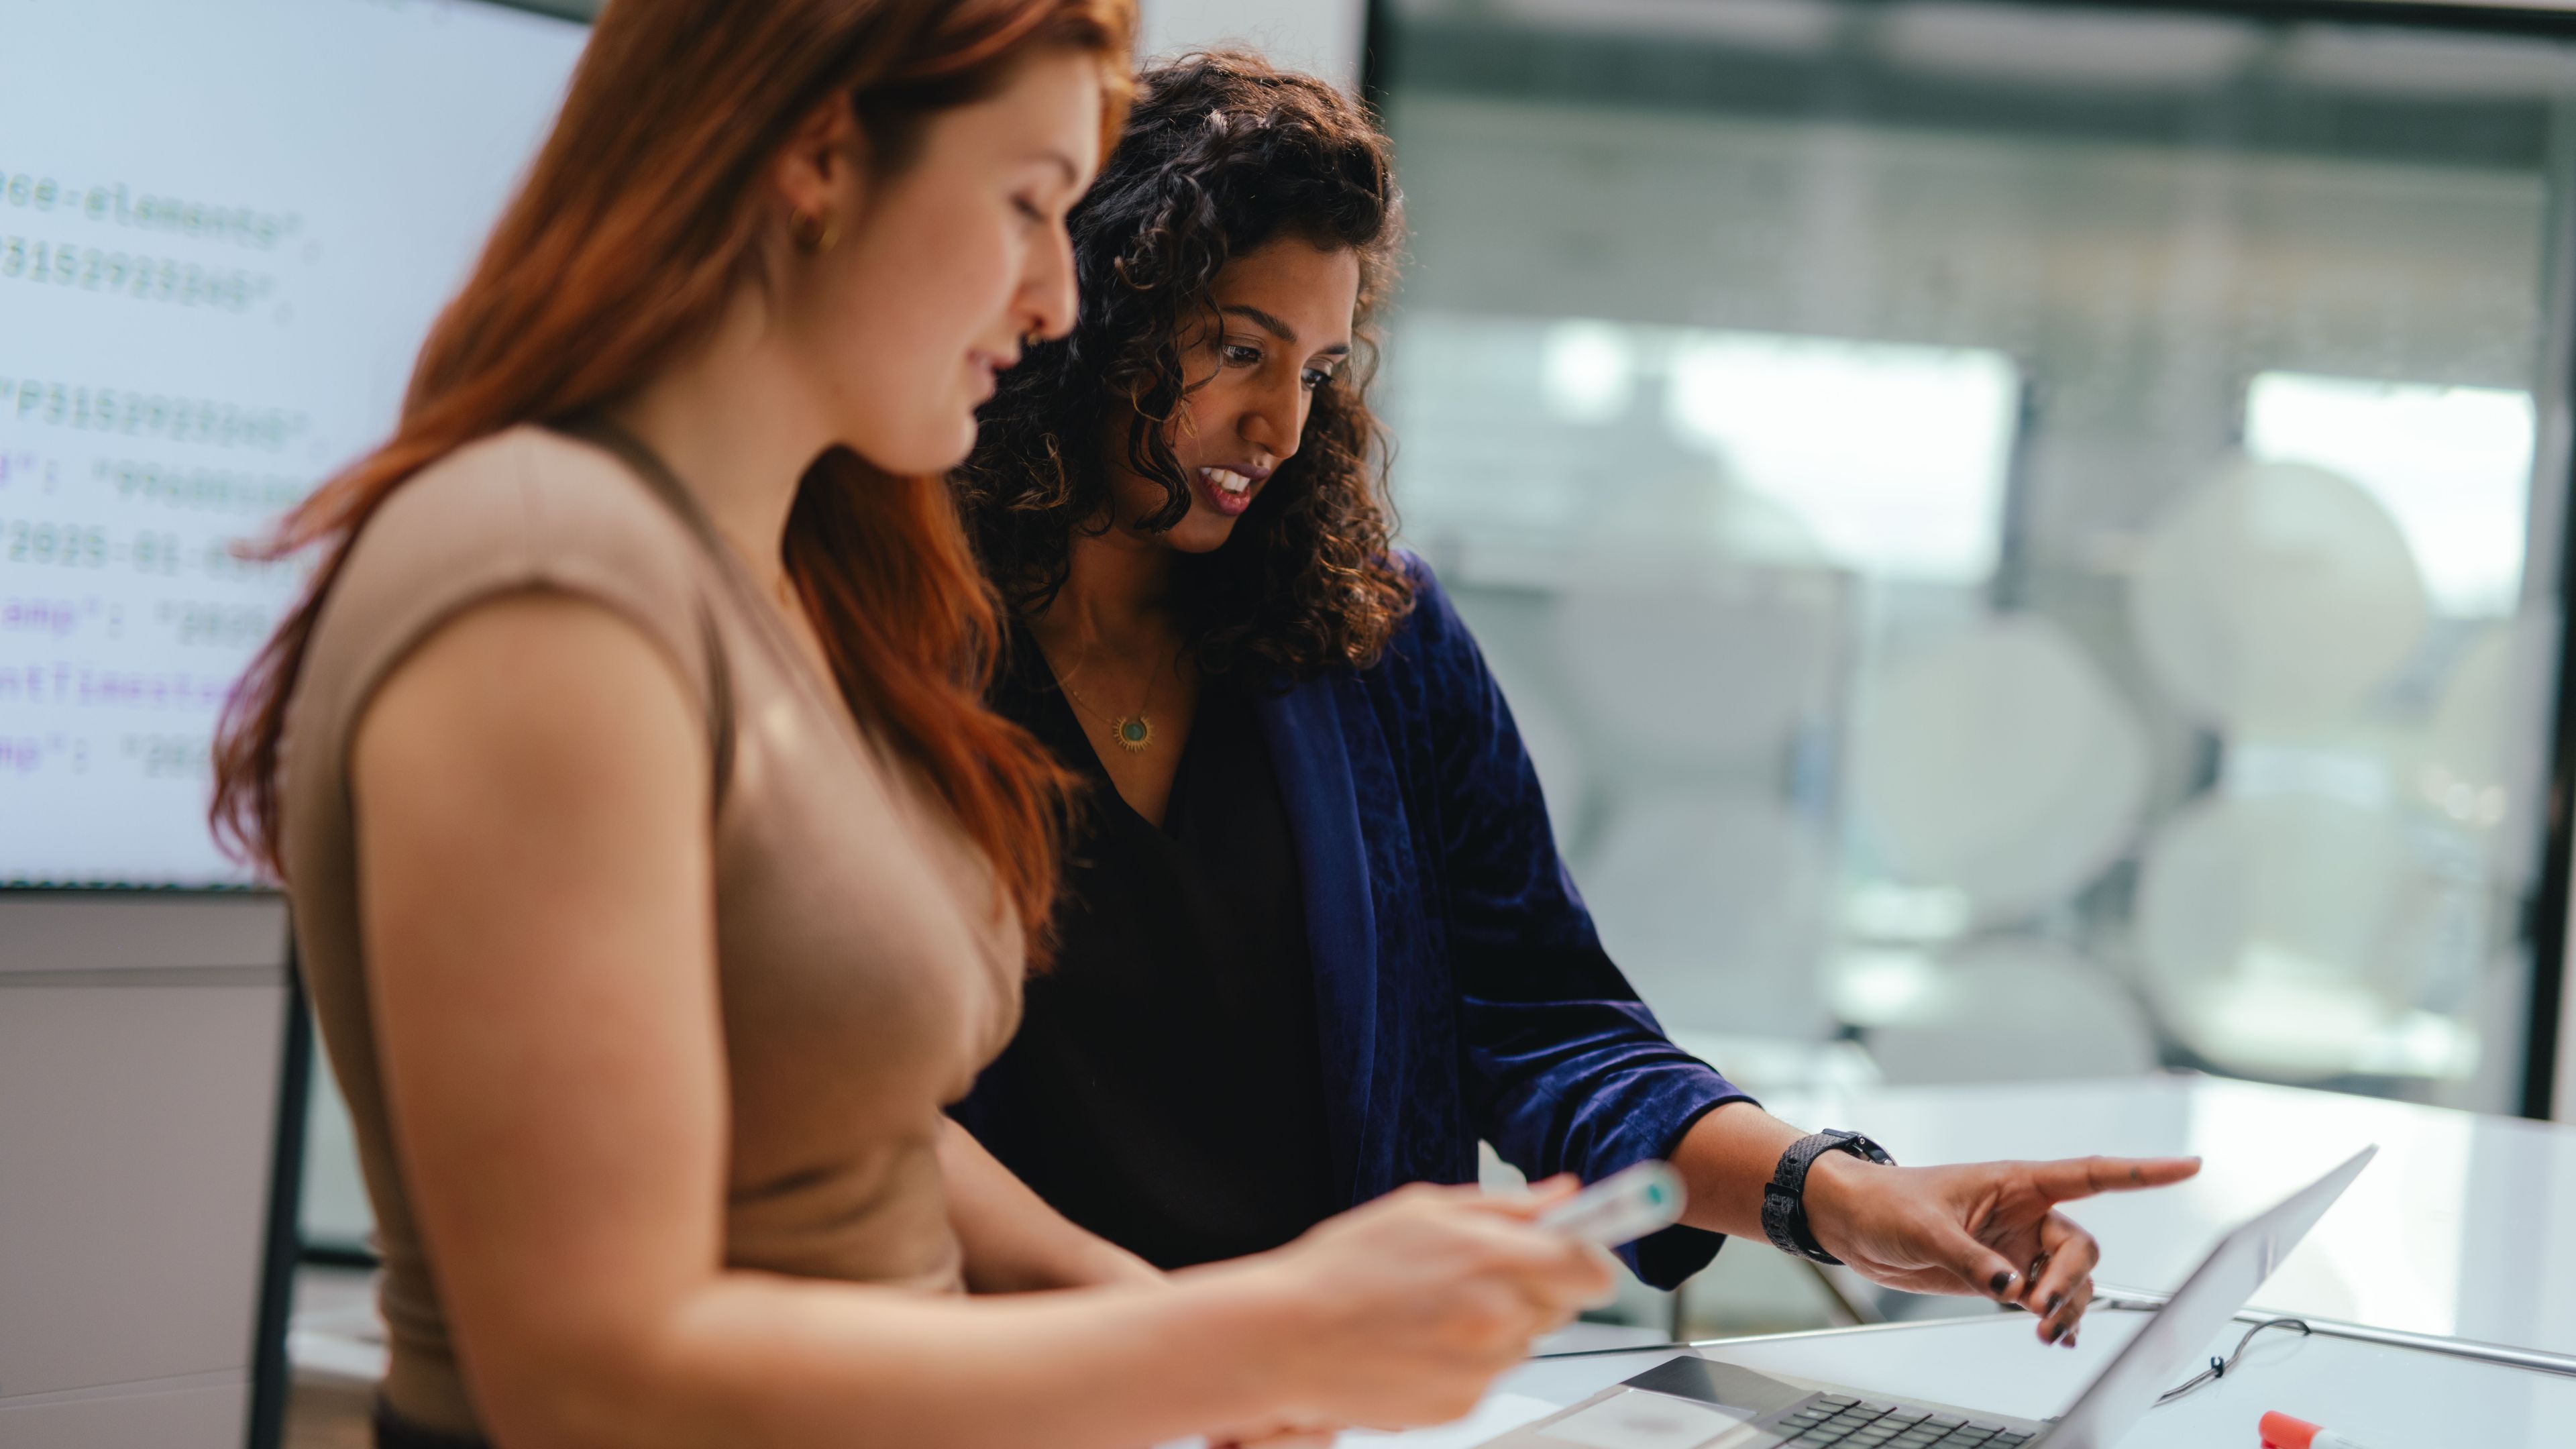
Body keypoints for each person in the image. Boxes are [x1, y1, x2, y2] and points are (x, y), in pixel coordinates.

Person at [211, 7, 1613, 1448]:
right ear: (820, 159)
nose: (1056, 301)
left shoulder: (760, 579)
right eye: (1025, 206)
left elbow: (849, 1158)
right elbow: (584, 1372)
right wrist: (1261, 1336)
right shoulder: (547, 574)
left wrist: (1177, 1336)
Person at [950, 50, 2198, 1346]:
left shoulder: (1375, 643)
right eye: (1235, 350)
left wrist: (1835, 1195)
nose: (1280, 425)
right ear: (1083, 311)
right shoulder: (884, 631)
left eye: (1317, 372)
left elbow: (1550, 1027)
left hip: (1349, 1412)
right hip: (985, 1395)